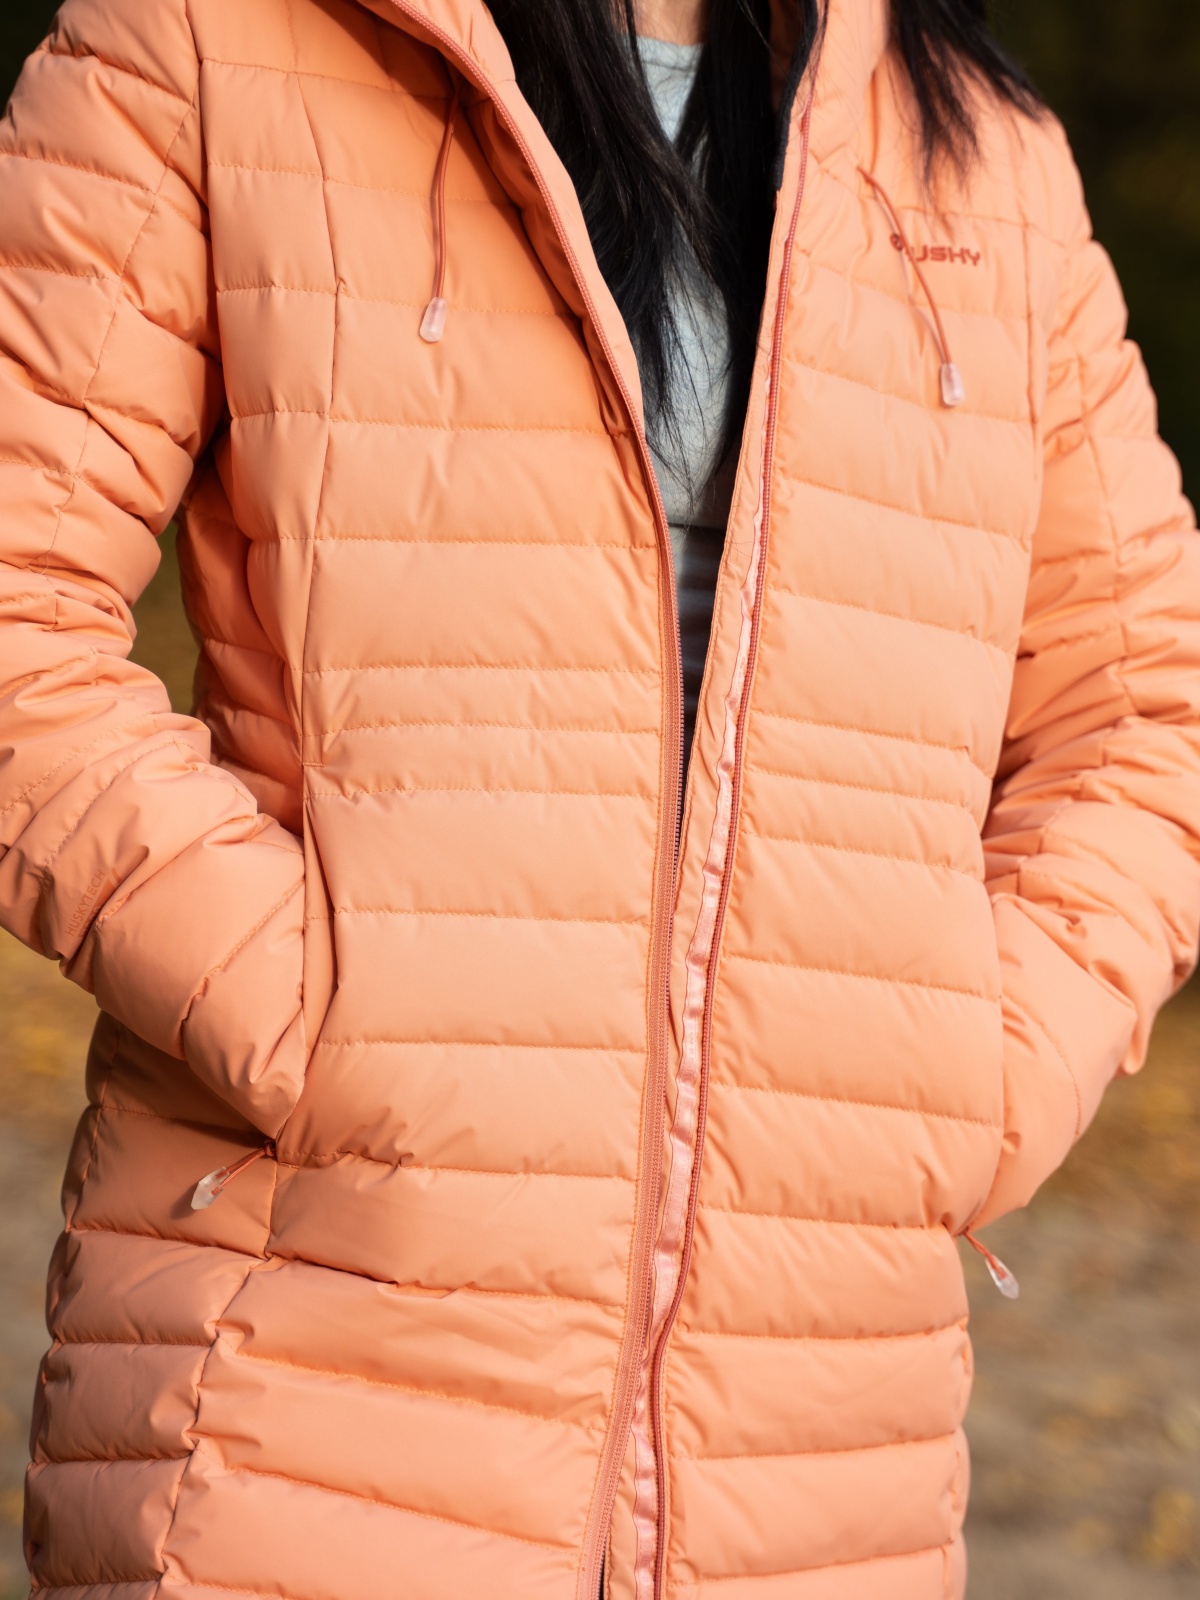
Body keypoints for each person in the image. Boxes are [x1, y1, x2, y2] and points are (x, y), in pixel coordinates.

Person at [1, 0, 1197, 1594]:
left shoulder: (986, 158)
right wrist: (316, 1007)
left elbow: (1142, 715)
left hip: (818, 1469)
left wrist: (972, 1072)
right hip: (303, 1391)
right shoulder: (208, 41)